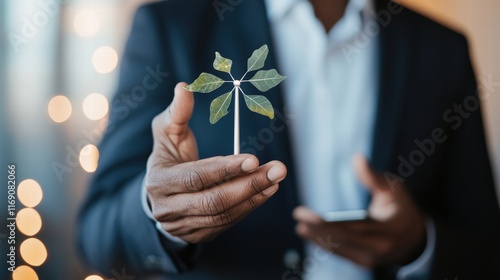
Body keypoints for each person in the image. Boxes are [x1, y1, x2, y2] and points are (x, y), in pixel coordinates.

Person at [77, 0, 500, 279]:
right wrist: (160, 213)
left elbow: (484, 246)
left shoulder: (440, 48)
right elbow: (96, 234)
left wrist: (418, 244)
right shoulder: (172, 27)